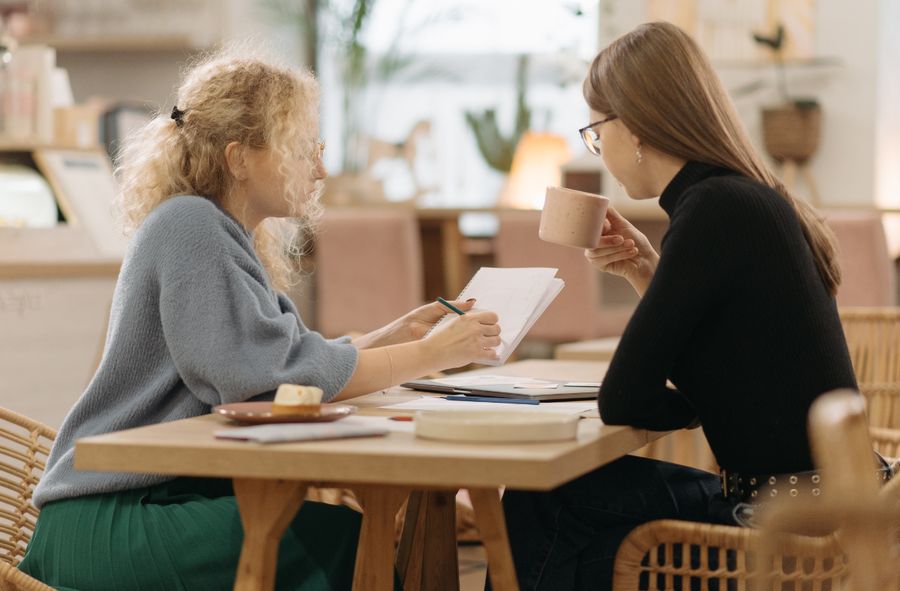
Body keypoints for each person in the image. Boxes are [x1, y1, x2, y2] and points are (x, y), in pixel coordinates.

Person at [20, 48, 500, 591]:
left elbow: (281, 356)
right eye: (301, 150)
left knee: (340, 533)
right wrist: (429, 355)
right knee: (338, 540)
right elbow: (263, 377)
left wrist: (391, 337)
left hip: (138, 505)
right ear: (239, 157)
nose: (319, 168)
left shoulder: (215, 230)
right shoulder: (191, 225)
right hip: (111, 518)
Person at [496, 21, 865, 590]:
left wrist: (691, 410)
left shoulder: (712, 210)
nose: (598, 148)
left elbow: (623, 398)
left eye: (597, 130)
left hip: (781, 528)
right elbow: (728, 368)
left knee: (542, 500)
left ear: (636, 127)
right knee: (574, 516)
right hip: (826, 506)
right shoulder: (742, 197)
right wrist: (647, 271)